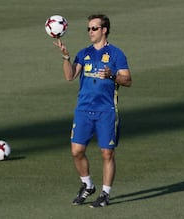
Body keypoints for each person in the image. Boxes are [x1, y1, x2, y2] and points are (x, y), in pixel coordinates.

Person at [53, 14, 132, 207]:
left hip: (106, 111)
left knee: (107, 154)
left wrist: (112, 75)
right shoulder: (84, 53)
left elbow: (128, 80)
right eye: (88, 29)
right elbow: (70, 76)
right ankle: (88, 185)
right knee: (76, 151)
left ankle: (105, 193)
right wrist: (66, 57)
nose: (90, 32)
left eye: (94, 28)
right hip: (83, 110)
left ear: (104, 30)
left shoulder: (116, 54)